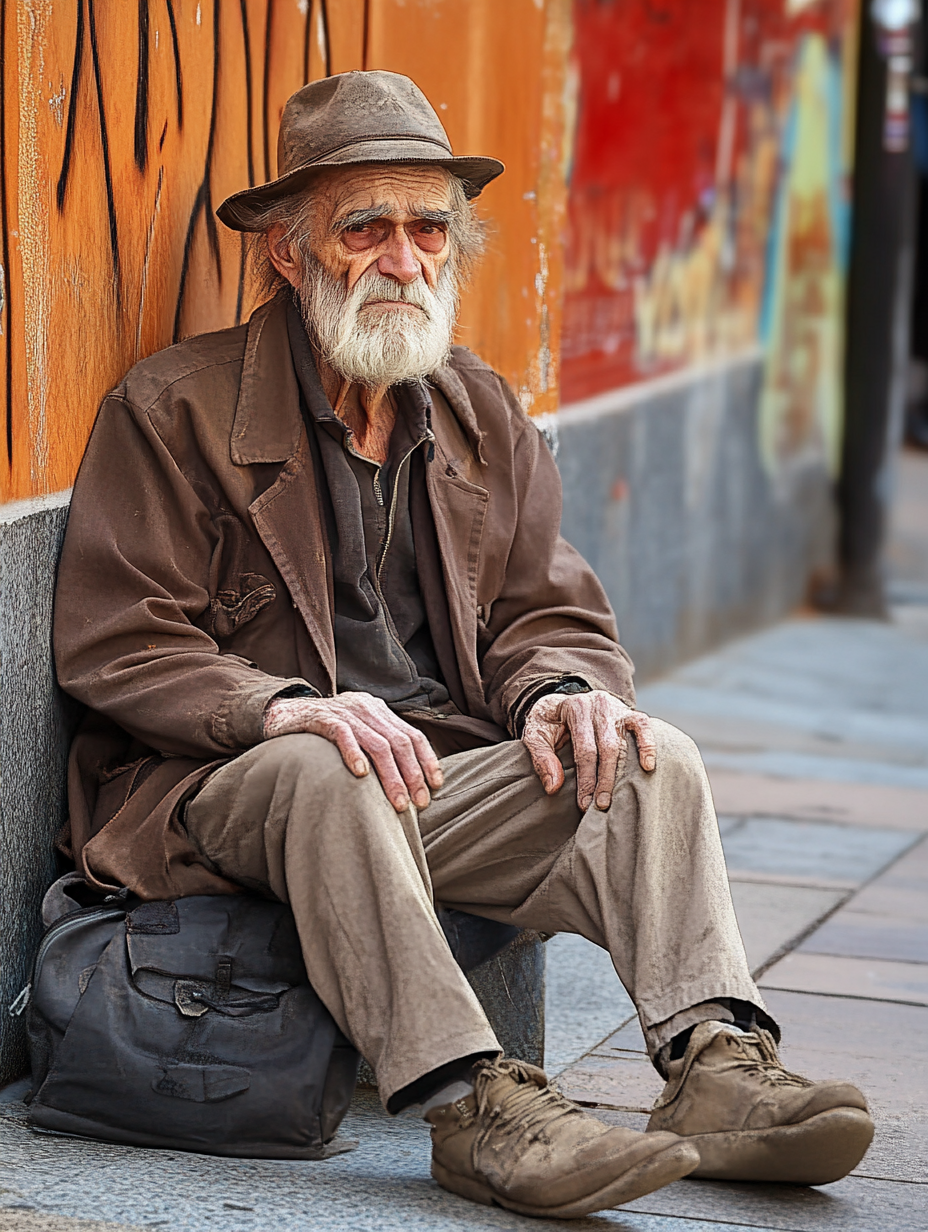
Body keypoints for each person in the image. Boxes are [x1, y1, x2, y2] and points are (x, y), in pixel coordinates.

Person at [53, 71, 873, 1219]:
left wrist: (559, 688)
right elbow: (119, 634)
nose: (404, 259)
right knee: (332, 759)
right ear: (290, 255)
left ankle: (716, 1065)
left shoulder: (478, 407)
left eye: (427, 227)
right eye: (366, 229)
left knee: (649, 756)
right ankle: (471, 1101)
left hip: (428, 780)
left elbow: (549, 606)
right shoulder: (173, 408)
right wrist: (283, 705)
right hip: (228, 785)